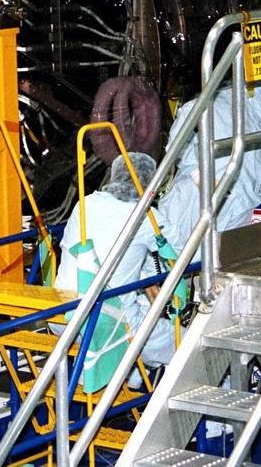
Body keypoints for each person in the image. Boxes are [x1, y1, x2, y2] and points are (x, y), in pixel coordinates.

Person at [53, 153, 178, 368]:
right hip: (107, 324)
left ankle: (132, 385)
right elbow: (182, 253)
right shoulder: (147, 216)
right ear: (152, 183)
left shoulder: (85, 203)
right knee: (183, 342)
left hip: (61, 316)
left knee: (137, 308)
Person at [159, 84, 261, 245]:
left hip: (195, 197)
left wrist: (195, 172)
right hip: (239, 207)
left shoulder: (206, 103)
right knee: (215, 261)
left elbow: (176, 146)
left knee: (167, 256)